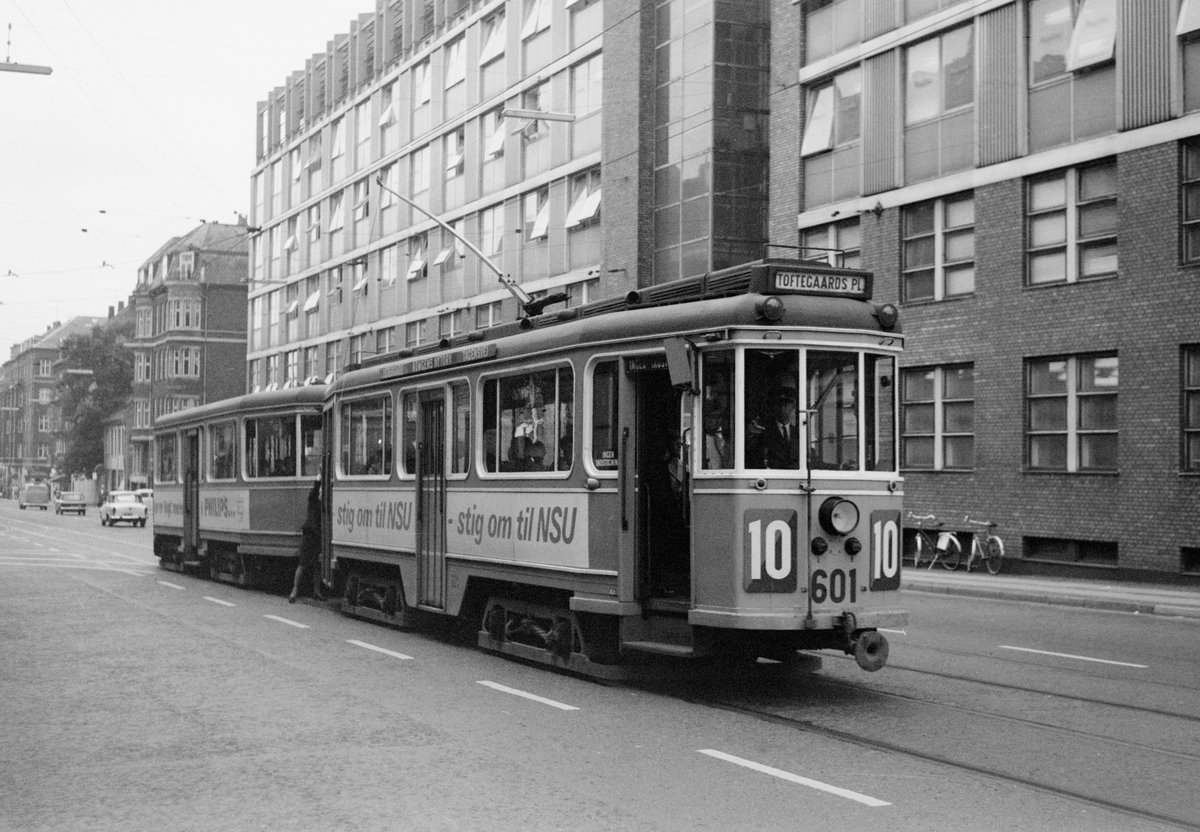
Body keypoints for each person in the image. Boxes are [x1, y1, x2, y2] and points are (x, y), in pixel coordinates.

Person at [289, 479, 325, 603]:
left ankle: (316, 591)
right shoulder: (313, 501)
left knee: (316, 565)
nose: (321, 495)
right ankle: (294, 591)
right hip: (310, 535)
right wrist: (318, 481)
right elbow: (313, 492)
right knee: (303, 564)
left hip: (317, 536)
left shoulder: (322, 505)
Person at [754, 388, 801, 468]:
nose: (783, 408)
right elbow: (758, 460)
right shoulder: (765, 432)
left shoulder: (799, 433)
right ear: (775, 407)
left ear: (793, 409)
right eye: (780, 405)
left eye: (786, 405)